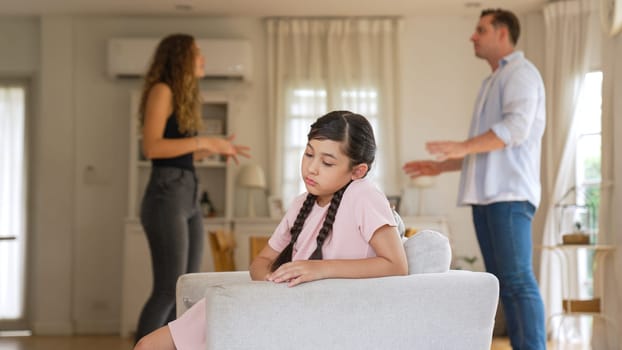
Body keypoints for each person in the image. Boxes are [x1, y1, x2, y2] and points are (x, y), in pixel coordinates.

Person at [134, 111, 408, 350]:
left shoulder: (363, 195)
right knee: (147, 345)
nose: (311, 168)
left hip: (307, 314)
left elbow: (396, 264)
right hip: (273, 303)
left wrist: (319, 269)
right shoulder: (301, 204)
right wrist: (271, 284)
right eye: (309, 153)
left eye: (327, 162)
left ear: (357, 171)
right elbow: (260, 262)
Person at [403, 9, 546, 350]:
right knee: (502, 283)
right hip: (487, 198)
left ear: (502, 34)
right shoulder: (491, 82)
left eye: (480, 30)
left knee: (517, 280)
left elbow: (514, 130)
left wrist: (461, 146)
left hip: (509, 196)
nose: (473, 36)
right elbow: (487, 151)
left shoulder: (521, 74)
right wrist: (443, 167)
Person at [135, 33, 250, 342]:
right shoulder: (162, 90)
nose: (203, 59)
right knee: (166, 287)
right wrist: (205, 141)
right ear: (180, 58)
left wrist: (214, 149)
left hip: (186, 191)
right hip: (166, 193)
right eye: (197, 53)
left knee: (185, 286)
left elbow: (180, 153)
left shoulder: (182, 96)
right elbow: (152, 147)